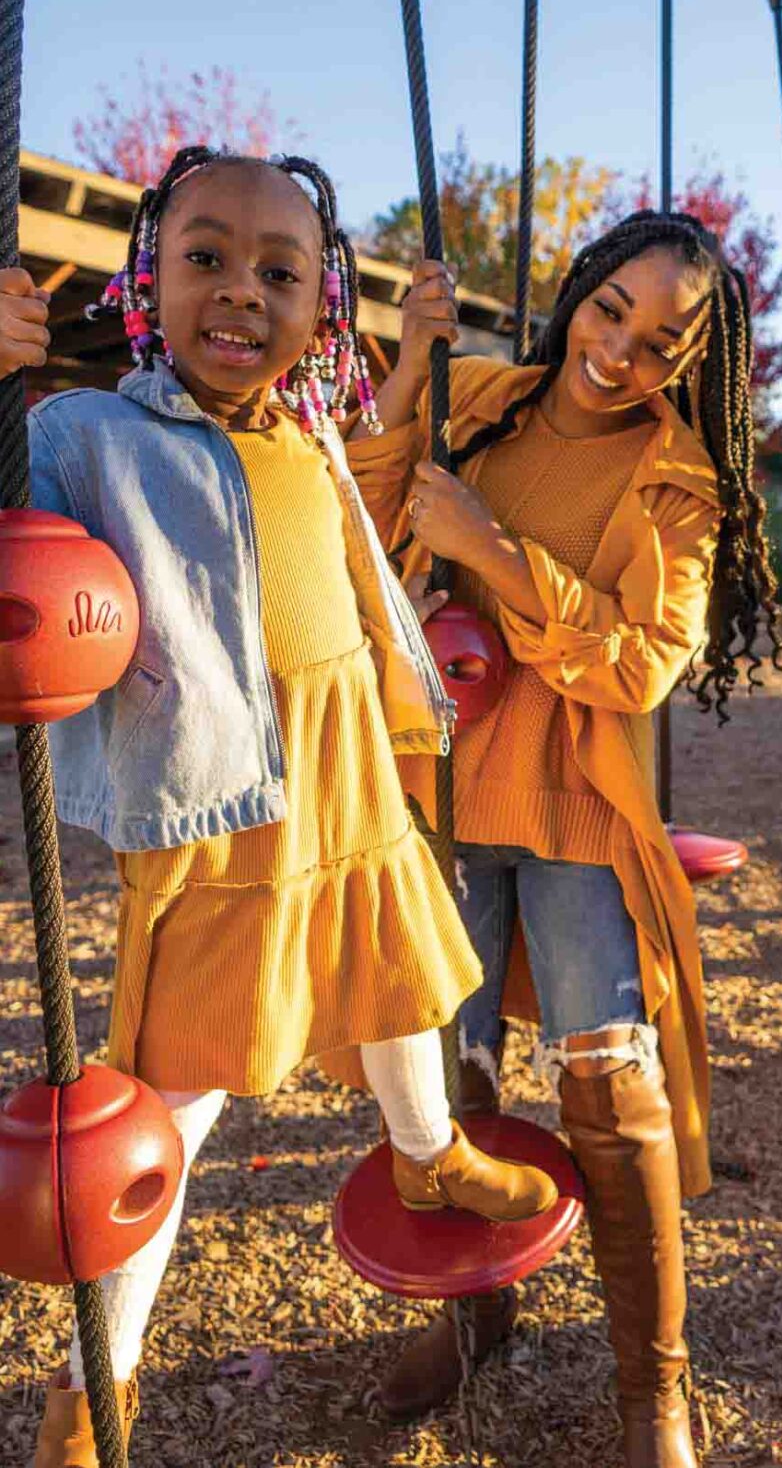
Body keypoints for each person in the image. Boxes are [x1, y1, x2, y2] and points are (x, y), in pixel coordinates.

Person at [2, 146, 557, 1468]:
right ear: (151, 274)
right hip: (217, 819)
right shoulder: (89, 435)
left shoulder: (307, 437)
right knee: (160, 1126)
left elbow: (374, 484)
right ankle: (97, 1388)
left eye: (278, 270)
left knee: (403, 989)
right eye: (205, 258)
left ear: (321, 306)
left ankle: (426, 1156)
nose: (239, 292)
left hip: (351, 781)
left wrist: (417, 353)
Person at [347, 210, 781, 1468]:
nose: (621, 351)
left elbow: (640, 666)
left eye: (661, 341)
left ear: (694, 361)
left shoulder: (679, 481)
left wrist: (498, 554)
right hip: (439, 798)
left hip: (576, 811)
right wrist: (407, 371)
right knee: (450, 1081)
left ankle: (655, 1387)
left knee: (611, 1086)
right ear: (579, 291)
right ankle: (478, 1318)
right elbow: (364, 537)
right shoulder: (477, 400)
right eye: (610, 311)